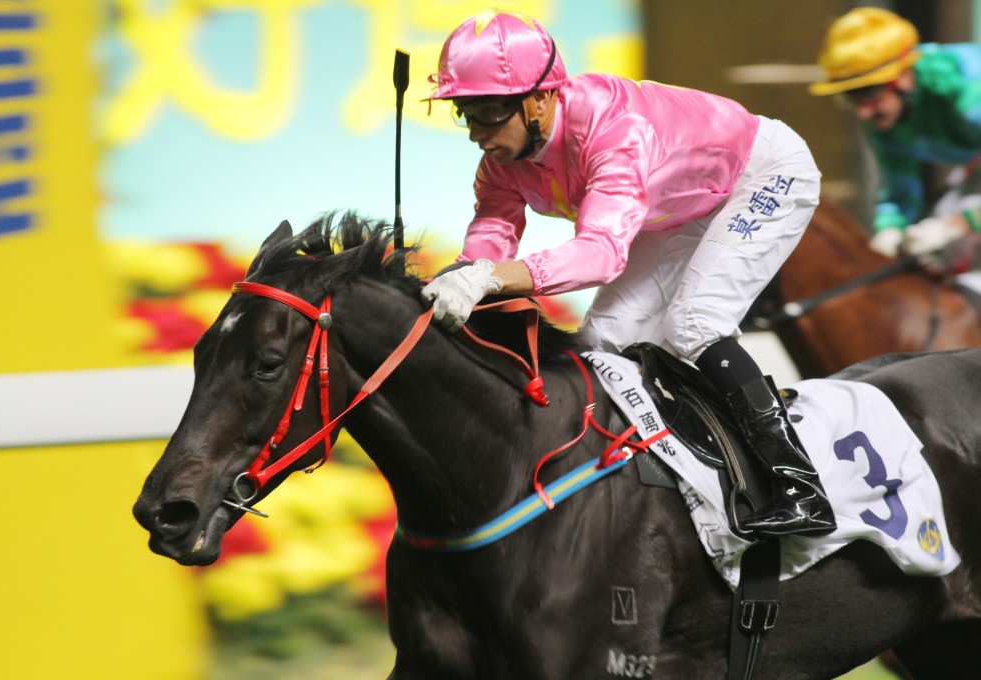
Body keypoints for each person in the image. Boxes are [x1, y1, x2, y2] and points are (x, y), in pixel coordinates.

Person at [420, 9, 835, 538]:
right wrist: (460, 278)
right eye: (466, 115)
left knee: (695, 323)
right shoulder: (503, 158)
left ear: (541, 98)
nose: (477, 134)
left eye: (489, 114)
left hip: (762, 175)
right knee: (600, 339)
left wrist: (490, 279)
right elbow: (492, 233)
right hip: (677, 206)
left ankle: (801, 486)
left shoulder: (615, 130)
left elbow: (601, 255)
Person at [809, 7, 981, 263]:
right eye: (851, 97)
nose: (864, 113)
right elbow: (899, 192)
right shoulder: (885, 115)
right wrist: (887, 232)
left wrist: (959, 224)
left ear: (903, 76)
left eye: (868, 92)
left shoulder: (968, 93)